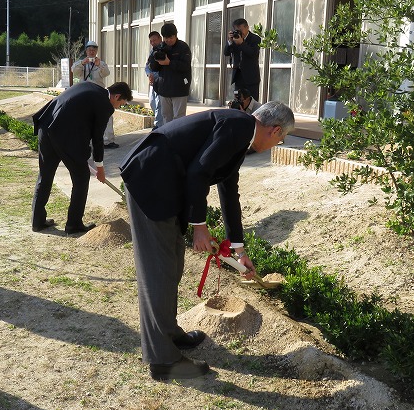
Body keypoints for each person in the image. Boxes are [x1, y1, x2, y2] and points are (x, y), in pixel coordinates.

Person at [119, 102, 295, 380]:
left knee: (172, 263)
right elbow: (198, 173)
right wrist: (199, 226)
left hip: (165, 183)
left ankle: (168, 331)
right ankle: (163, 360)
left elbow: (228, 190)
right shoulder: (237, 126)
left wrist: (239, 248)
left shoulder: (240, 133)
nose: (278, 143)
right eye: (281, 139)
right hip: (151, 181)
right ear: (274, 130)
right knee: (158, 271)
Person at [31, 81, 132, 234]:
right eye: (121, 103)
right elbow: (98, 138)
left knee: (45, 175)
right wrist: (100, 167)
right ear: (117, 96)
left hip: (46, 127)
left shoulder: (90, 86)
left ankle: (37, 222)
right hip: (65, 135)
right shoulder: (105, 104)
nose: (118, 107)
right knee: (81, 177)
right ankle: (74, 225)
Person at [71, 41, 118, 149]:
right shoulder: (81, 63)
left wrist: (99, 65)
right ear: (86, 51)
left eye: (94, 50)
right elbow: (74, 71)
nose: (92, 52)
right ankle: (84, 140)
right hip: (85, 93)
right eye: (89, 50)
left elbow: (106, 73)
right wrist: (83, 63)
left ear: (96, 51)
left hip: (99, 93)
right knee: (85, 117)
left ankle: (108, 140)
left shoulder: (101, 63)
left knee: (107, 115)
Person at [147, 23, 191, 123]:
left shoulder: (183, 47)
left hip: (179, 89)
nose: (168, 40)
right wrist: (156, 59)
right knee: (166, 118)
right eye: (166, 38)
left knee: (179, 119)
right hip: (164, 89)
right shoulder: (161, 47)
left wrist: (169, 63)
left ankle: (177, 138)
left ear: (175, 35)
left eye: (171, 37)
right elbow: (152, 67)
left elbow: (186, 66)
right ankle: (167, 138)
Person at [224, 18, 262, 101]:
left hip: (251, 77)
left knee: (252, 102)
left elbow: (253, 53)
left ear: (247, 27)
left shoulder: (255, 39)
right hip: (238, 76)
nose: (239, 32)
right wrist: (229, 42)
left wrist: (242, 43)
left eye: (241, 30)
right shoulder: (235, 38)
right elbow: (226, 53)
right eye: (236, 30)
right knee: (238, 102)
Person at [144, 31, 164, 129]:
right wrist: (149, 74)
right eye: (151, 41)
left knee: (159, 105)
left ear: (160, 38)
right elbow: (147, 66)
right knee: (152, 103)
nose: (153, 43)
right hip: (152, 82)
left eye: (154, 40)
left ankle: (158, 126)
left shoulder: (165, 49)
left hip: (161, 82)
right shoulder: (152, 52)